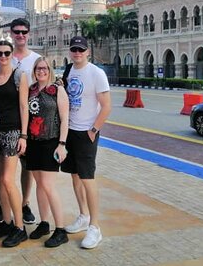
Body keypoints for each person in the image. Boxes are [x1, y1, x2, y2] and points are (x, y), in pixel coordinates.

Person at [61, 36, 111, 249]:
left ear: (87, 51)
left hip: (86, 133)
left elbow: (106, 106)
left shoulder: (96, 73)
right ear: (70, 51)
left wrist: (93, 130)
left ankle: (95, 226)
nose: (77, 53)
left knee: (87, 178)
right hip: (70, 131)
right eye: (74, 49)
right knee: (75, 176)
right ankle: (83, 215)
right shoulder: (68, 71)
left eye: (81, 50)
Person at [0, 18, 41, 226]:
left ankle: (24, 204)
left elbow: (43, 86)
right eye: (17, 31)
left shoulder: (36, 58)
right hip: (3, 124)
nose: (20, 34)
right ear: (11, 33)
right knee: (4, 174)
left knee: (26, 166)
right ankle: (5, 211)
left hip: (28, 121)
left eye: (24, 31)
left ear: (29, 33)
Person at [0, 40, 29, 247]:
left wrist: (23, 135)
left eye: (6, 53)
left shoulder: (20, 76)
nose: (3, 56)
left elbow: (23, 106)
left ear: (12, 55)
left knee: (7, 179)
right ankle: (6, 221)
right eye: (0, 53)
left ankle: (20, 228)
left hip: (12, 131)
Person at [25, 57, 70, 248]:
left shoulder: (57, 90)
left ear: (49, 70)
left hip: (51, 142)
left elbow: (65, 118)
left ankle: (60, 230)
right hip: (33, 143)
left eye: (44, 68)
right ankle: (44, 223)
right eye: (38, 68)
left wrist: (62, 144)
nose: (41, 71)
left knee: (48, 185)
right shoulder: (31, 90)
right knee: (39, 184)